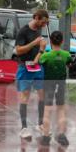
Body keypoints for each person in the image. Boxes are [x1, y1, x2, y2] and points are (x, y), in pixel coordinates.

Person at [14, 9, 50, 140]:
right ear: (36, 17)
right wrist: (34, 43)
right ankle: (24, 128)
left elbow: (38, 49)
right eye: (43, 22)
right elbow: (18, 51)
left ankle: (40, 124)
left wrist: (41, 49)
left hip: (37, 66)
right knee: (25, 97)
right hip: (25, 66)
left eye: (46, 23)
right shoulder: (23, 31)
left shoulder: (39, 30)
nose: (44, 25)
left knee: (42, 95)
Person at [35, 31, 72, 147]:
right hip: (60, 85)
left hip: (48, 85)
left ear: (50, 42)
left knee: (47, 110)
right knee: (61, 110)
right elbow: (69, 65)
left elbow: (36, 62)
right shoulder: (66, 55)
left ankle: (46, 137)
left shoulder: (46, 55)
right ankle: (61, 135)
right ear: (62, 41)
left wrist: (41, 50)